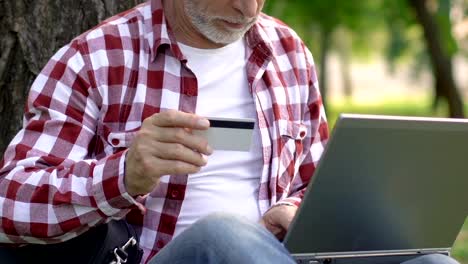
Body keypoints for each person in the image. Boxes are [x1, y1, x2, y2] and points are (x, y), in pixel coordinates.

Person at [0, 1, 460, 264]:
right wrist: (122, 175)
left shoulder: (286, 51)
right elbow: (10, 201)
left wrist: (293, 209)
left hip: (280, 256)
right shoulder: (98, 58)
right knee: (224, 235)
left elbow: (311, 179)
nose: (247, 8)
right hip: (171, 255)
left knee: (430, 262)